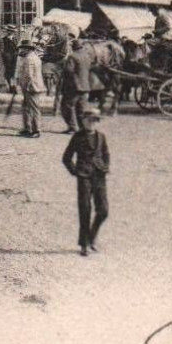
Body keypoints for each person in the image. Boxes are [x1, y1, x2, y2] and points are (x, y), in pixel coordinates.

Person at [62, 105, 110, 256]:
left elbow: (106, 154)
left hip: (99, 177)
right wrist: (75, 171)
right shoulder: (77, 137)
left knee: (103, 210)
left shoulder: (101, 137)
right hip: (84, 177)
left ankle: (92, 236)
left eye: (94, 121)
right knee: (85, 210)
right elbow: (66, 158)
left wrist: (105, 166)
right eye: (88, 120)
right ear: (83, 121)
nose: (91, 123)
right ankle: (84, 244)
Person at [14, 40, 46, 137]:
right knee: (26, 107)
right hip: (31, 86)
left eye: (22, 48)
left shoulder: (29, 59)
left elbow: (28, 75)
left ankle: (36, 130)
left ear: (27, 49)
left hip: (31, 87)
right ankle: (27, 128)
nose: (21, 50)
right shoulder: (32, 57)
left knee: (33, 108)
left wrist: (22, 86)